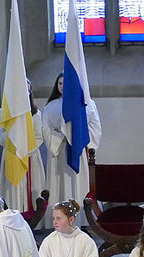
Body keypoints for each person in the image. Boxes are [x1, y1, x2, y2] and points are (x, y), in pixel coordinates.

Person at [42, 72, 102, 227]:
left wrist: (78, 137)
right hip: (60, 152)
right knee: (60, 185)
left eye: (66, 83)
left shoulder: (88, 104)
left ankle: (83, 222)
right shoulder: (51, 106)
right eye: (60, 83)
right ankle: (60, 221)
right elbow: (46, 130)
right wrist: (62, 136)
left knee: (80, 184)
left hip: (79, 150)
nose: (63, 86)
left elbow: (95, 127)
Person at [0, 79, 45, 213]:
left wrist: (25, 149)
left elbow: (39, 136)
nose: (24, 92)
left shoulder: (36, 114)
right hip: (11, 153)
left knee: (32, 189)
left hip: (30, 156)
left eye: (28, 89)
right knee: (12, 190)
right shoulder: (3, 112)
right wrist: (14, 142)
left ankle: (33, 218)